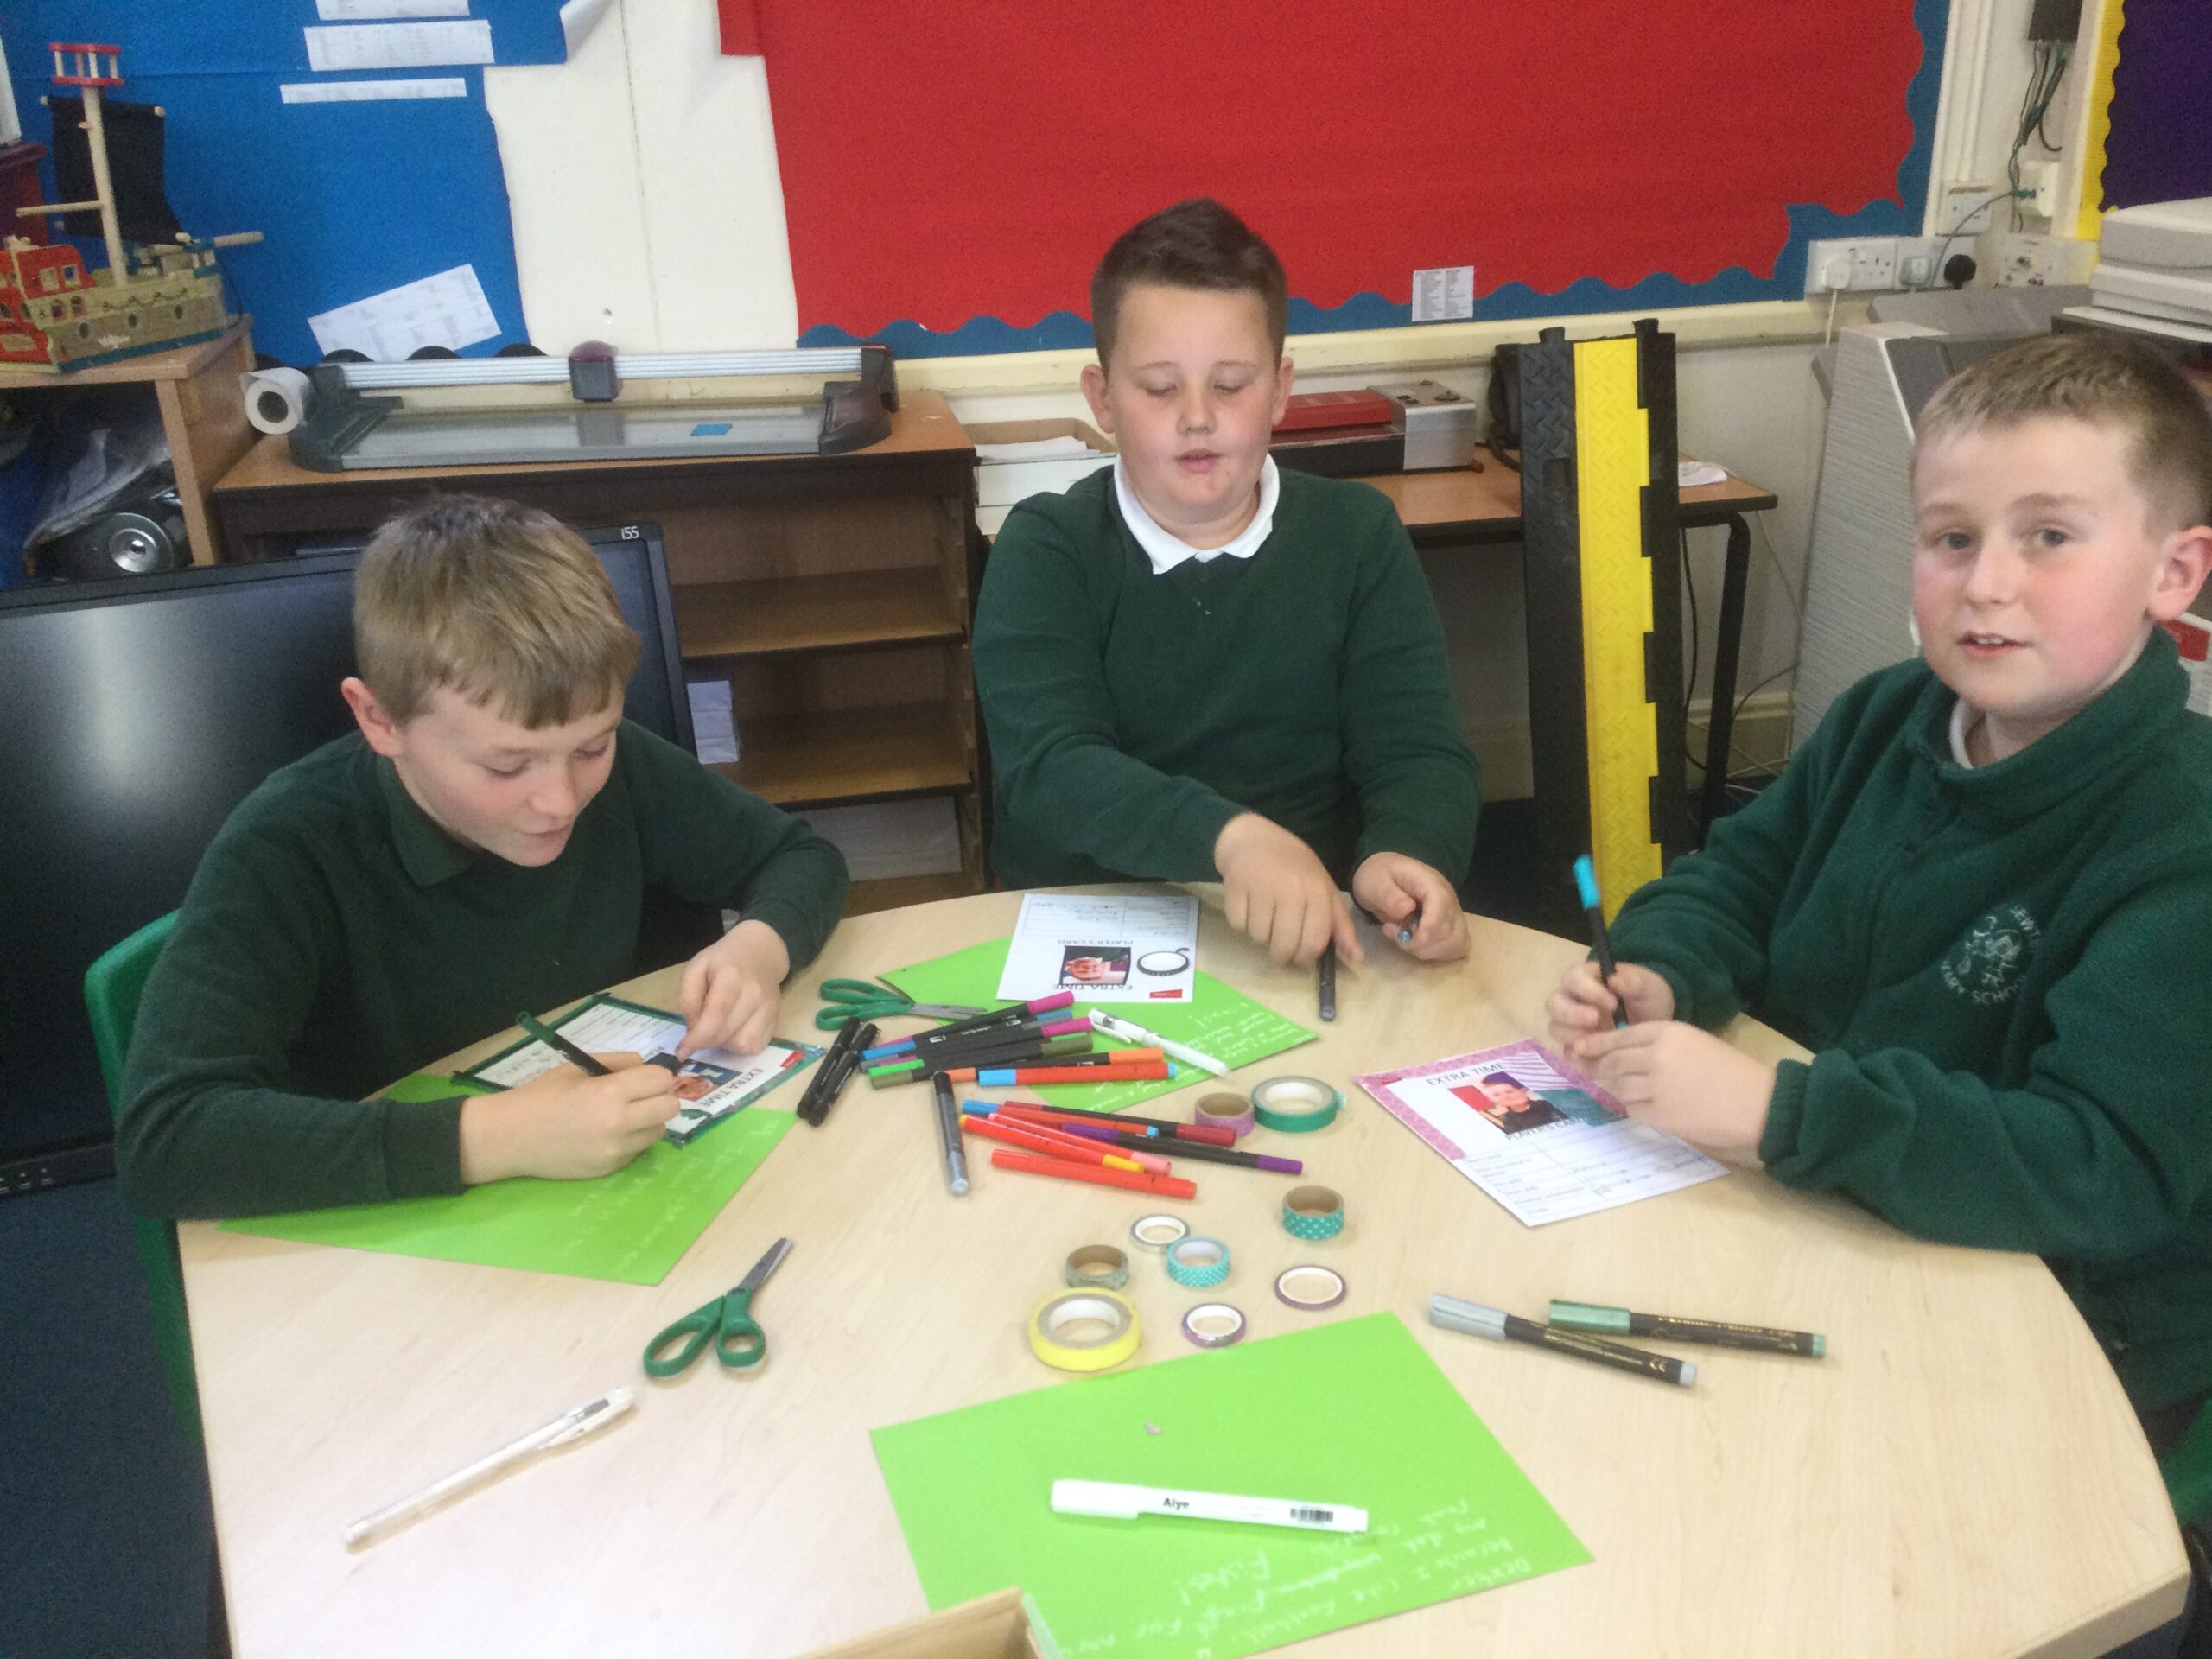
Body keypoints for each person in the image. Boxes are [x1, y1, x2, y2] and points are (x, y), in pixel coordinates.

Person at [1545, 332, 2212, 1441]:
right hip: (1823, 1205)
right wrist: (1663, 966)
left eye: (2048, 536)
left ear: (2174, 573)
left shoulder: (2179, 840)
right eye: (1951, 538)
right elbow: (1741, 876)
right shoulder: (1883, 717)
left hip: (2064, 1326)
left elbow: (2101, 1172)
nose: (1986, 583)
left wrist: (1783, 1112)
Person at [117, 495, 849, 1219]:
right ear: (380, 719)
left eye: (593, 746)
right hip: (387, 1242)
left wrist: (760, 947)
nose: (561, 800)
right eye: (506, 768)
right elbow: (168, 1141)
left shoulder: (622, 775)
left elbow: (798, 858)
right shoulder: (286, 845)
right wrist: (500, 1138)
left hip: (604, 1197)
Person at [974, 197, 1480, 969]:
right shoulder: (1046, 547)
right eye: (1159, 388)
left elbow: (1417, 754)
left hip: (1304, 934)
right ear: (1102, 398)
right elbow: (1050, 768)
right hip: (1095, 929)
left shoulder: (1357, 535)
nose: (1199, 419)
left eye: (1231, 384)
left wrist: (1407, 854)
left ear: (1279, 391)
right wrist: (1232, 839)